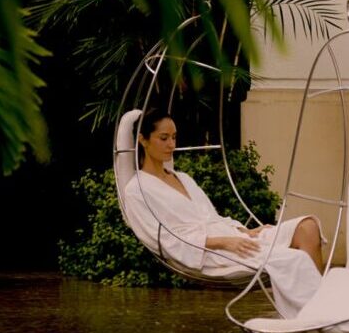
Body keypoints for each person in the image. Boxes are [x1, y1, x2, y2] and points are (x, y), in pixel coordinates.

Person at [126, 110, 324, 316]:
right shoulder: (137, 190)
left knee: (308, 227)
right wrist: (222, 242)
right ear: (143, 140)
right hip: (209, 251)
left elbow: (212, 217)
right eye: (163, 138)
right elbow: (164, 240)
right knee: (294, 260)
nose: (171, 145)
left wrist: (243, 231)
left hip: (233, 237)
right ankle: (317, 315)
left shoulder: (183, 178)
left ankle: (317, 310)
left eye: (174, 137)